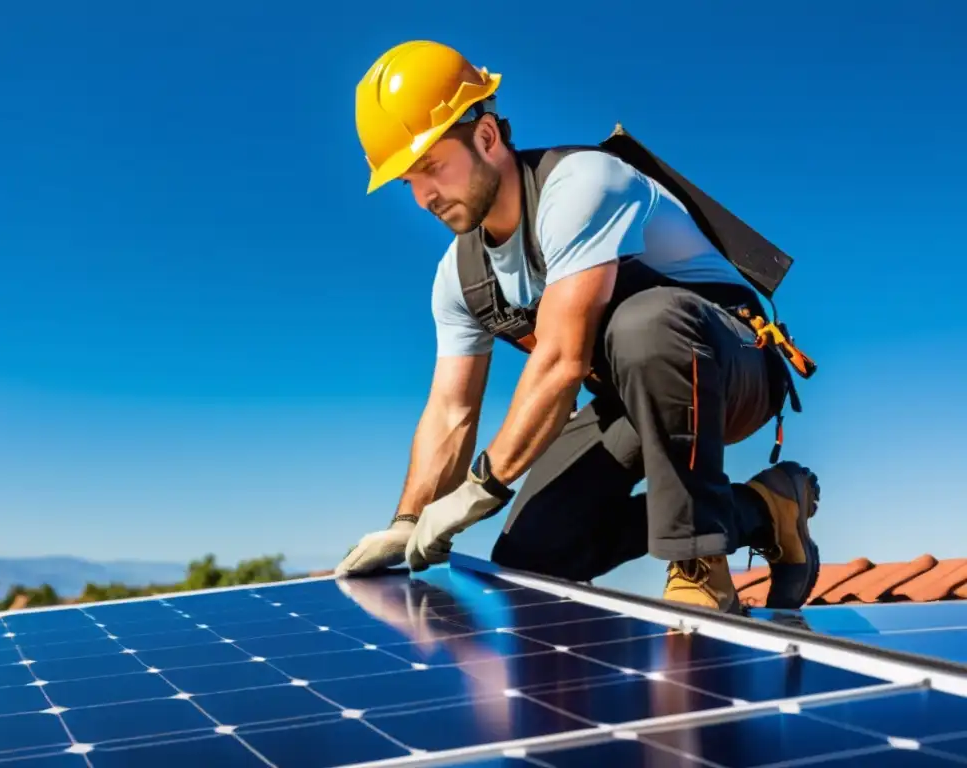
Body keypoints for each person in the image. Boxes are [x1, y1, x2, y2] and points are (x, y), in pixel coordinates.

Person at [335, 40, 821, 613]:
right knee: (533, 556)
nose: (422, 198)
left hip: (731, 367)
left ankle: (699, 568)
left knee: (645, 326)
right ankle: (767, 509)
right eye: (407, 183)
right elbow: (450, 410)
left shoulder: (583, 183)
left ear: (486, 136)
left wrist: (478, 490)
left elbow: (563, 361)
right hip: (634, 394)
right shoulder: (459, 278)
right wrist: (409, 519)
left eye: (430, 168)